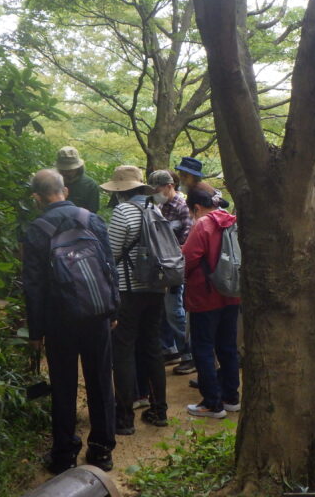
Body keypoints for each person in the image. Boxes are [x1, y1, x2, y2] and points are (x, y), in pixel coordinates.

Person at [22, 169, 116, 473]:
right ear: (66, 191)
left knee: (63, 386)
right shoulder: (92, 219)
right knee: (100, 381)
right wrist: (112, 308)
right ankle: (101, 450)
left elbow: (33, 284)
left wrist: (36, 331)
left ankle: (64, 455)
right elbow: (108, 267)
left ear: (37, 197)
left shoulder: (36, 230)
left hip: (59, 320)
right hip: (96, 314)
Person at [101, 165, 169, 434]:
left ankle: (125, 418)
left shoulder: (123, 211)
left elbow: (111, 253)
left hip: (129, 290)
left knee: (124, 349)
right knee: (152, 347)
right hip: (155, 289)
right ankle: (159, 410)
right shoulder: (155, 210)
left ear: (121, 191)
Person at [181, 183, 241, 418]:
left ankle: (211, 403)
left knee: (204, 348)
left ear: (196, 207)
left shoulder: (203, 225)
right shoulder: (232, 220)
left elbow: (189, 259)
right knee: (227, 347)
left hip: (205, 296)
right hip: (231, 293)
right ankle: (231, 397)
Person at [147, 170, 195, 376]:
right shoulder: (158, 207)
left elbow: (187, 238)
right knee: (164, 312)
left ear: (169, 186)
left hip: (175, 267)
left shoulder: (182, 208)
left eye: (158, 189)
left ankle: (190, 354)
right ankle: (170, 349)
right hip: (161, 266)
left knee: (175, 312)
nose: (156, 193)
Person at [56, 146, 99, 213]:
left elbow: (92, 213)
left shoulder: (90, 185)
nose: (65, 173)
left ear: (77, 169)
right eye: (62, 170)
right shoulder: (53, 183)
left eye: (69, 171)